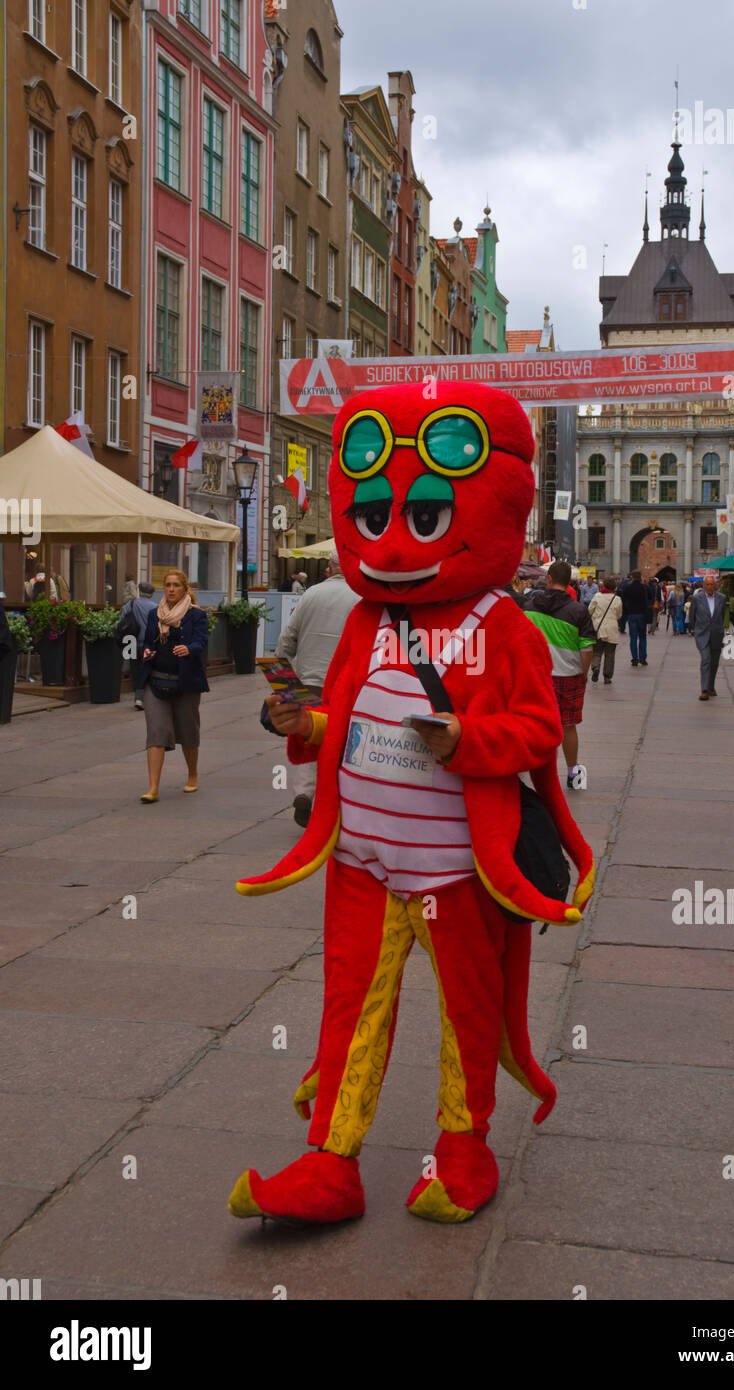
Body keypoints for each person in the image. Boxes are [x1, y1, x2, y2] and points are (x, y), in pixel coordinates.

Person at [228, 380, 594, 1229]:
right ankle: (331, 1158)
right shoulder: (364, 619)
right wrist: (304, 722)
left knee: (467, 1006)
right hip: (360, 860)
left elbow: (538, 729)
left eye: (425, 518)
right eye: (375, 519)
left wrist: (466, 742)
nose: (394, 545)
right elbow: (349, 721)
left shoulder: (503, 624)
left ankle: (464, 1147)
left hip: (458, 863)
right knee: (348, 1003)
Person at [273, 552, 361, 825]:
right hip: (346, 684)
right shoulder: (362, 598)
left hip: (308, 679)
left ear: (330, 569)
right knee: (344, 741)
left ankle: (305, 793)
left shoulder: (310, 594)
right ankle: (338, 802)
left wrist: (284, 688)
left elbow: (286, 642)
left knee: (308, 733)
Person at [138, 570, 209, 801]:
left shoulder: (195, 615)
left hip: (185, 682)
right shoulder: (154, 615)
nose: (170, 589)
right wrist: (147, 651)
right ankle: (153, 788)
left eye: (176, 585)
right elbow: (148, 641)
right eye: (167, 585)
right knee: (156, 732)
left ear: (184, 588)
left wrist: (190, 648)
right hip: (156, 679)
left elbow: (202, 640)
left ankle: (193, 775)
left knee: (188, 732)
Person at [524, 560, 595, 788]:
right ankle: (573, 772)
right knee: (568, 725)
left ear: (549, 579)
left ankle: (535, 770)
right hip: (569, 676)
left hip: (536, 675)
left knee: (535, 722)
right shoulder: (578, 610)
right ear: (570, 582)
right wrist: (583, 674)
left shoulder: (530, 605)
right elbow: (586, 649)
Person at [689, 574, 728, 700]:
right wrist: (693, 629)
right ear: (703, 586)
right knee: (706, 659)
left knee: (714, 662)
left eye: (712, 584)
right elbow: (692, 614)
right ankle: (704, 689)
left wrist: (723, 629)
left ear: (716, 585)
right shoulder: (697, 598)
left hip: (717, 633)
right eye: (707, 584)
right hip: (702, 634)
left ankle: (711, 686)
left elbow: (724, 615)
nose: (710, 587)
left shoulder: (722, 598)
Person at [120, 581, 158, 709]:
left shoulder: (130, 604)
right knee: (147, 670)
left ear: (140, 591)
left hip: (131, 642)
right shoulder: (155, 607)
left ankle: (138, 697)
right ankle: (143, 698)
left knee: (135, 670)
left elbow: (122, 621)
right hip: (149, 643)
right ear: (151, 594)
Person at [588, 578, 623, 684]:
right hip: (612, 629)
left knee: (597, 652)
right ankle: (607, 677)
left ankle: (595, 668)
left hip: (598, 628)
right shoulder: (617, 599)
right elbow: (619, 615)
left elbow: (590, 610)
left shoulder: (597, 596)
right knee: (610, 654)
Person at [619, 569, 651, 666]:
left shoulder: (627, 588)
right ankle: (643, 658)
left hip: (631, 614)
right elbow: (649, 598)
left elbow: (623, 599)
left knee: (633, 638)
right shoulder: (644, 587)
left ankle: (635, 659)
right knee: (642, 637)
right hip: (642, 614)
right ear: (640, 577)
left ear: (632, 577)